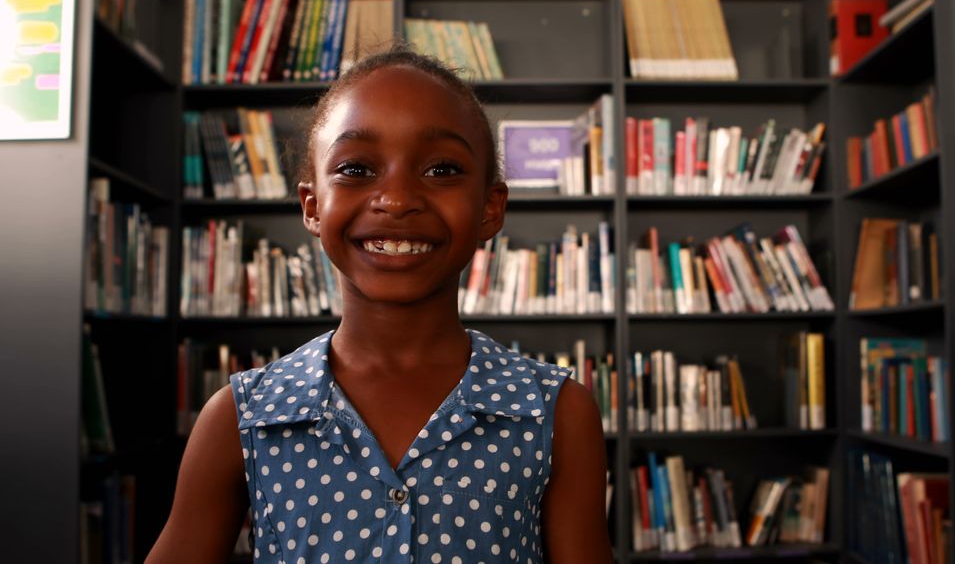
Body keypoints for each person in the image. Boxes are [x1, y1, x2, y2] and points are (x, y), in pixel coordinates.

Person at [147, 45, 612, 564]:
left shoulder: (555, 413)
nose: (396, 199)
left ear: (489, 207)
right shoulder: (243, 418)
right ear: (313, 206)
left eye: (440, 170)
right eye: (356, 169)